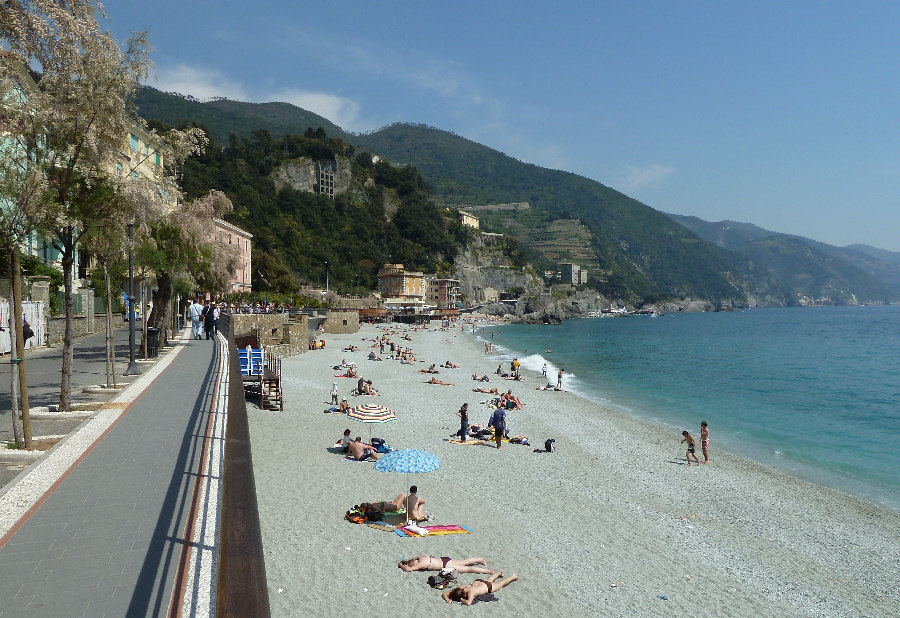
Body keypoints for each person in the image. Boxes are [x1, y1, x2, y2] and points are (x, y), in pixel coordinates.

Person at [442, 571, 519, 605]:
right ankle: (499, 573)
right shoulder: (461, 587)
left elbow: (468, 603)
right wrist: (448, 599)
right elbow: (444, 594)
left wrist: (461, 599)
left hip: (488, 587)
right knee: (490, 579)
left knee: (501, 584)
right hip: (479, 582)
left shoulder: (470, 593)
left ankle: (513, 577)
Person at [398, 556, 492, 574]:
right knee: (464, 562)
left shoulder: (421, 563)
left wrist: (401, 565)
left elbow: (407, 569)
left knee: (468, 569)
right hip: (444, 559)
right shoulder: (420, 558)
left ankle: (487, 571)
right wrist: (404, 561)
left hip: (445, 565)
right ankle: (481, 559)